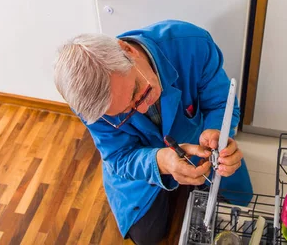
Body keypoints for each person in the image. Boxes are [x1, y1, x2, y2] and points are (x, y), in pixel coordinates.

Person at [53, 20, 252, 244]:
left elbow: (221, 104)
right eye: (125, 112)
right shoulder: (91, 105)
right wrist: (161, 162)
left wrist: (216, 132)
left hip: (202, 147)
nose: (143, 108)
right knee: (148, 236)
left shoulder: (192, 44)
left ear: (127, 50)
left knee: (234, 208)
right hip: (144, 160)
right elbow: (119, 156)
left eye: (138, 91)